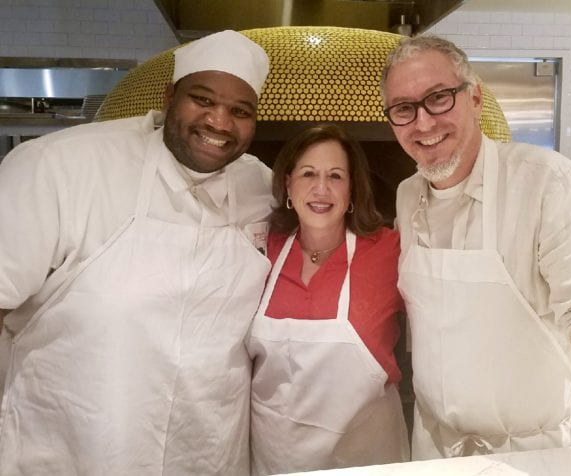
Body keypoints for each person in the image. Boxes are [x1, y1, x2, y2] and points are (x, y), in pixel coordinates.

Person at [0, 30, 274, 475]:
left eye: (239, 111)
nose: (219, 123)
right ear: (169, 96)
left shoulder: (261, 187)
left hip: (205, 451)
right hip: (72, 450)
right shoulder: (58, 166)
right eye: (202, 100)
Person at [381, 34, 571, 476]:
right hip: (434, 451)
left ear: (475, 97)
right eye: (404, 109)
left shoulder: (546, 183)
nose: (422, 123)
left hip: (531, 457)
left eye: (438, 98)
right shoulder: (406, 196)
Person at [247, 124, 410, 475]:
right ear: (288, 184)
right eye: (308, 174)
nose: (321, 188)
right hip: (275, 456)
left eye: (336, 176)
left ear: (352, 190)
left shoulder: (388, 250)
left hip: (365, 457)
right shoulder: (263, 249)